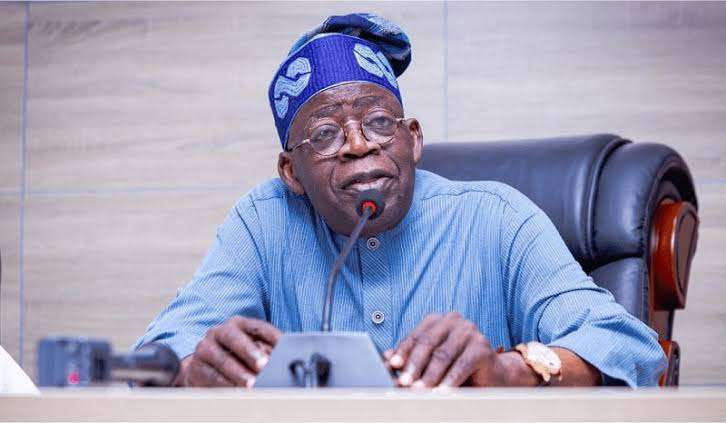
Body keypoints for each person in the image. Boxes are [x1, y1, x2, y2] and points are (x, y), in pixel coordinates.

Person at [134, 13, 666, 388]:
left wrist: (509, 373)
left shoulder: (497, 217)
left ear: (412, 139)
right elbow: (154, 356)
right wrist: (192, 371)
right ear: (290, 172)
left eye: (378, 122)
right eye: (325, 134)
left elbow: (628, 346)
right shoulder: (263, 221)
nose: (358, 144)